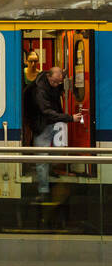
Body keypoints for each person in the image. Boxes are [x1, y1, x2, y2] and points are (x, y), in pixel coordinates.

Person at [24, 66, 82, 199]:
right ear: (48, 77)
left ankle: (53, 173)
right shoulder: (39, 90)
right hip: (42, 124)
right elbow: (46, 112)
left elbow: (58, 88)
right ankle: (43, 190)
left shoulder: (53, 82)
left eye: (59, 82)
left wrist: (65, 77)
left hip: (53, 122)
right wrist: (70, 118)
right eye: (54, 82)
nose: (56, 85)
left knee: (56, 153)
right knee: (42, 158)